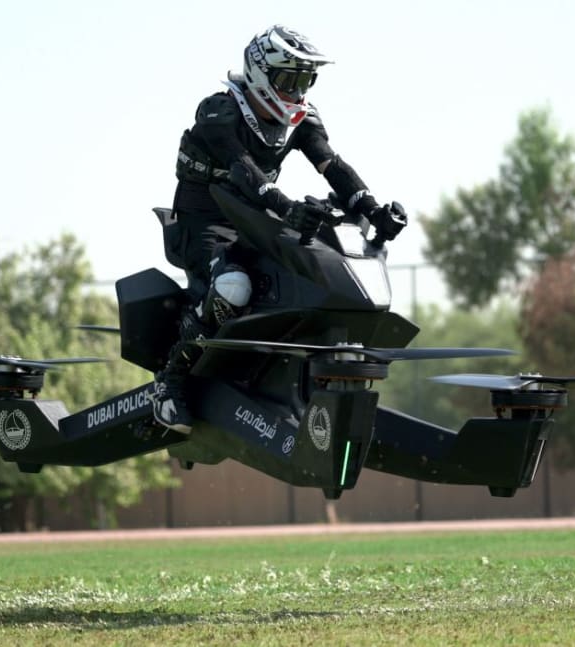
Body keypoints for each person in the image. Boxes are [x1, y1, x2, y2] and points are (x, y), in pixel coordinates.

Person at [152, 24, 408, 433]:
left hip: (256, 219)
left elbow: (332, 165)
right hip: (205, 224)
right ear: (260, 74)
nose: (297, 92)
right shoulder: (219, 112)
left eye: (306, 81)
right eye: (290, 80)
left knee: (306, 276)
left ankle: (286, 376)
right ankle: (171, 380)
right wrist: (287, 209)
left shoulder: (303, 119)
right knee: (234, 287)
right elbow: (243, 170)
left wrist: (373, 209)